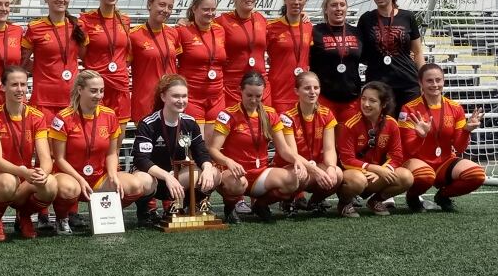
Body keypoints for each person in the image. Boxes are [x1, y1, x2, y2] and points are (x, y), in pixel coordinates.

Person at [48, 70, 144, 235]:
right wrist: (79, 178)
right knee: (69, 189)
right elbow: (59, 159)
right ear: (80, 90)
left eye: (101, 90)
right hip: (71, 176)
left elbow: (112, 153)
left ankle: (102, 213)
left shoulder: (109, 115)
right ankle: (62, 217)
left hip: (99, 177)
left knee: (134, 185)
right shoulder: (63, 118)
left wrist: (113, 175)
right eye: (93, 90)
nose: (98, 95)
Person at [209, 72, 306, 223]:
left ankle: (260, 205)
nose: (254, 100)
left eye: (258, 96)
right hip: (236, 174)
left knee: (293, 180)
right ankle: (229, 207)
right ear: (239, 91)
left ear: (263, 93)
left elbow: (283, 149)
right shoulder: (228, 115)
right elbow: (213, 150)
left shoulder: (270, 114)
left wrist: (296, 160)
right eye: (249, 95)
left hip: (260, 174)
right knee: (236, 184)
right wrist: (228, 162)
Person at [132, 74, 220, 223]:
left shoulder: (190, 123)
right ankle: (145, 210)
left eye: (184, 96)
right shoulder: (148, 123)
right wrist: (166, 176)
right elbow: (141, 160)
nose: (181, 101)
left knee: (214, 173)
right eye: (175, 96)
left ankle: (189, 204)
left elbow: (202, 153)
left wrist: (207, 168)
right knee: (143, 181)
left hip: (178, 179)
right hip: (156, 179)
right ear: (163, 97)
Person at [398, 63, 486, 212]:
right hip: (417, 162)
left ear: (443, 81)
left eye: (438, 80)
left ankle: (443, 196)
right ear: (420, 83)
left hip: (444, 163)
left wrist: (466, 130)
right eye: (429, 81)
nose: (435, 84)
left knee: (477, 174)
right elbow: (408, 149)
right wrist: (421, 136)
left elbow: (459, 148)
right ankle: (413, 196)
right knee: (425, 174)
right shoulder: (408, 109)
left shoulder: (455, 108)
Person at [0, 66, 58, 240]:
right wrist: (23, 172)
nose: (20, 89)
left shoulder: (37, 116)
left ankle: (24, 216)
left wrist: (43, 172)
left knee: (51, 183)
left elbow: (46, 157)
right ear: (3, 87)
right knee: (9, 181)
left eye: (23, 84)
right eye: (14, 84)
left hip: (25, 177)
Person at [337, 81, 414, 217]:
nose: (366, 104)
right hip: (353, 173)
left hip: (376, 174)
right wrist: (374, 168)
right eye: (364, 99)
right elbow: (346, 160)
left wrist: (385, 169)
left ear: (383, 104)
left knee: (406, 177)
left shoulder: (391, 123)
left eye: (372, 100)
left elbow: (396, 155)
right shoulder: (350, 124)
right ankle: (344, 203)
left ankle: (375, 201)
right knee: (358, 181)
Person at [275, 71, 343, 216]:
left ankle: (315, 201)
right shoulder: (287, 117)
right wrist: (316, 171)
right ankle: (288, 201)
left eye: (316, 88)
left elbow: (330, 149)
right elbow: (292, 154)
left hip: (315, 165)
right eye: (307, 88)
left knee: (337, 174)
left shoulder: (327, 114)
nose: (312, 92)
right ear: (296, 91)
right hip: (294, 165)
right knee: (298, 174)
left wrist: (330, 167)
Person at [357, 0, 425, 116]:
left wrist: (423, 80)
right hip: (378, 87)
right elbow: (358, 52)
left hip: (407, 84)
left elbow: (417, 52)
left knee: (409, 129)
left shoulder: (408, 17)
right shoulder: (366, 19)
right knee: (383, 132)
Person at [79, 0, 132, 150]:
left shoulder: (125, 20)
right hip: (97, 87)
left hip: (120, 88)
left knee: (116, 143)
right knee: (95, 140)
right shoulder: (86, 20)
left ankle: (113, 175)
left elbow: (126, 54)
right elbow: (82, 54)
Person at [20, 0, 84, 122]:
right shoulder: (35, 28)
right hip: (44, 102)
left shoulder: (78, 26)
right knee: (45, 144)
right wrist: (40, 69)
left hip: (72, 101)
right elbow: (21, 61)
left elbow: (88, 59)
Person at [175, 0, 227, 143]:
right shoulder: (182, 31)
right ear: (194, 9)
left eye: (213, 9)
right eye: (205, 9)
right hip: (192, 97)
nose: (210, 13)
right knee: (195, 148)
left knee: (213, 148)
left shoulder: (220, 31)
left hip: (216, 97)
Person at [309, 0, 363, 127]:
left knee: (347, 144)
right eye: (333, 5)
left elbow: (370, 56)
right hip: (324, 98)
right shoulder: (315, 32)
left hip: (352, 99)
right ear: (326, 9)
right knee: (325, 144)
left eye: (342, 5)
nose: (338, 8)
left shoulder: (357, 32)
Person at [129, 0, 180, 123]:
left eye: (170, 7)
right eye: (162, 5)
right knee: (146, 144)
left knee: (171, 143)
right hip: (145, 101)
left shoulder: (173, 33)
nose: (166, 10)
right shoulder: (134, 35)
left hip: (171, 100)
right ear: (149, 5)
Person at [216, 0, 269, 106]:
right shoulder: (222, 21)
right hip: (234, 88)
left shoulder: (262, 19)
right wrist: (185, 21)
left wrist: (301, 16)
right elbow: (200, 28)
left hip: (260, 86)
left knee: (263, 124)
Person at [266, 0, 314, 113]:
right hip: (279, 91)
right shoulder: (271, 27)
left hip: (303, 92)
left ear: (305, 0)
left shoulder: (308, 27)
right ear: (285, 0)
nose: (296, 2)